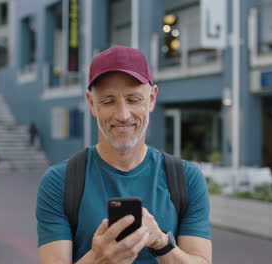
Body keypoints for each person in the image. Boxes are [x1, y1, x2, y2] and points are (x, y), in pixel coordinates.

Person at [36, 46, 212, 263]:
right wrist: (99, 258)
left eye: (134, 99)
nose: (122, 114)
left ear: (152, 98)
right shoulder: (59, 182)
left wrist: (161, 242)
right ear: (92, 103)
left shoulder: (186, 178)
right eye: (108, 101)